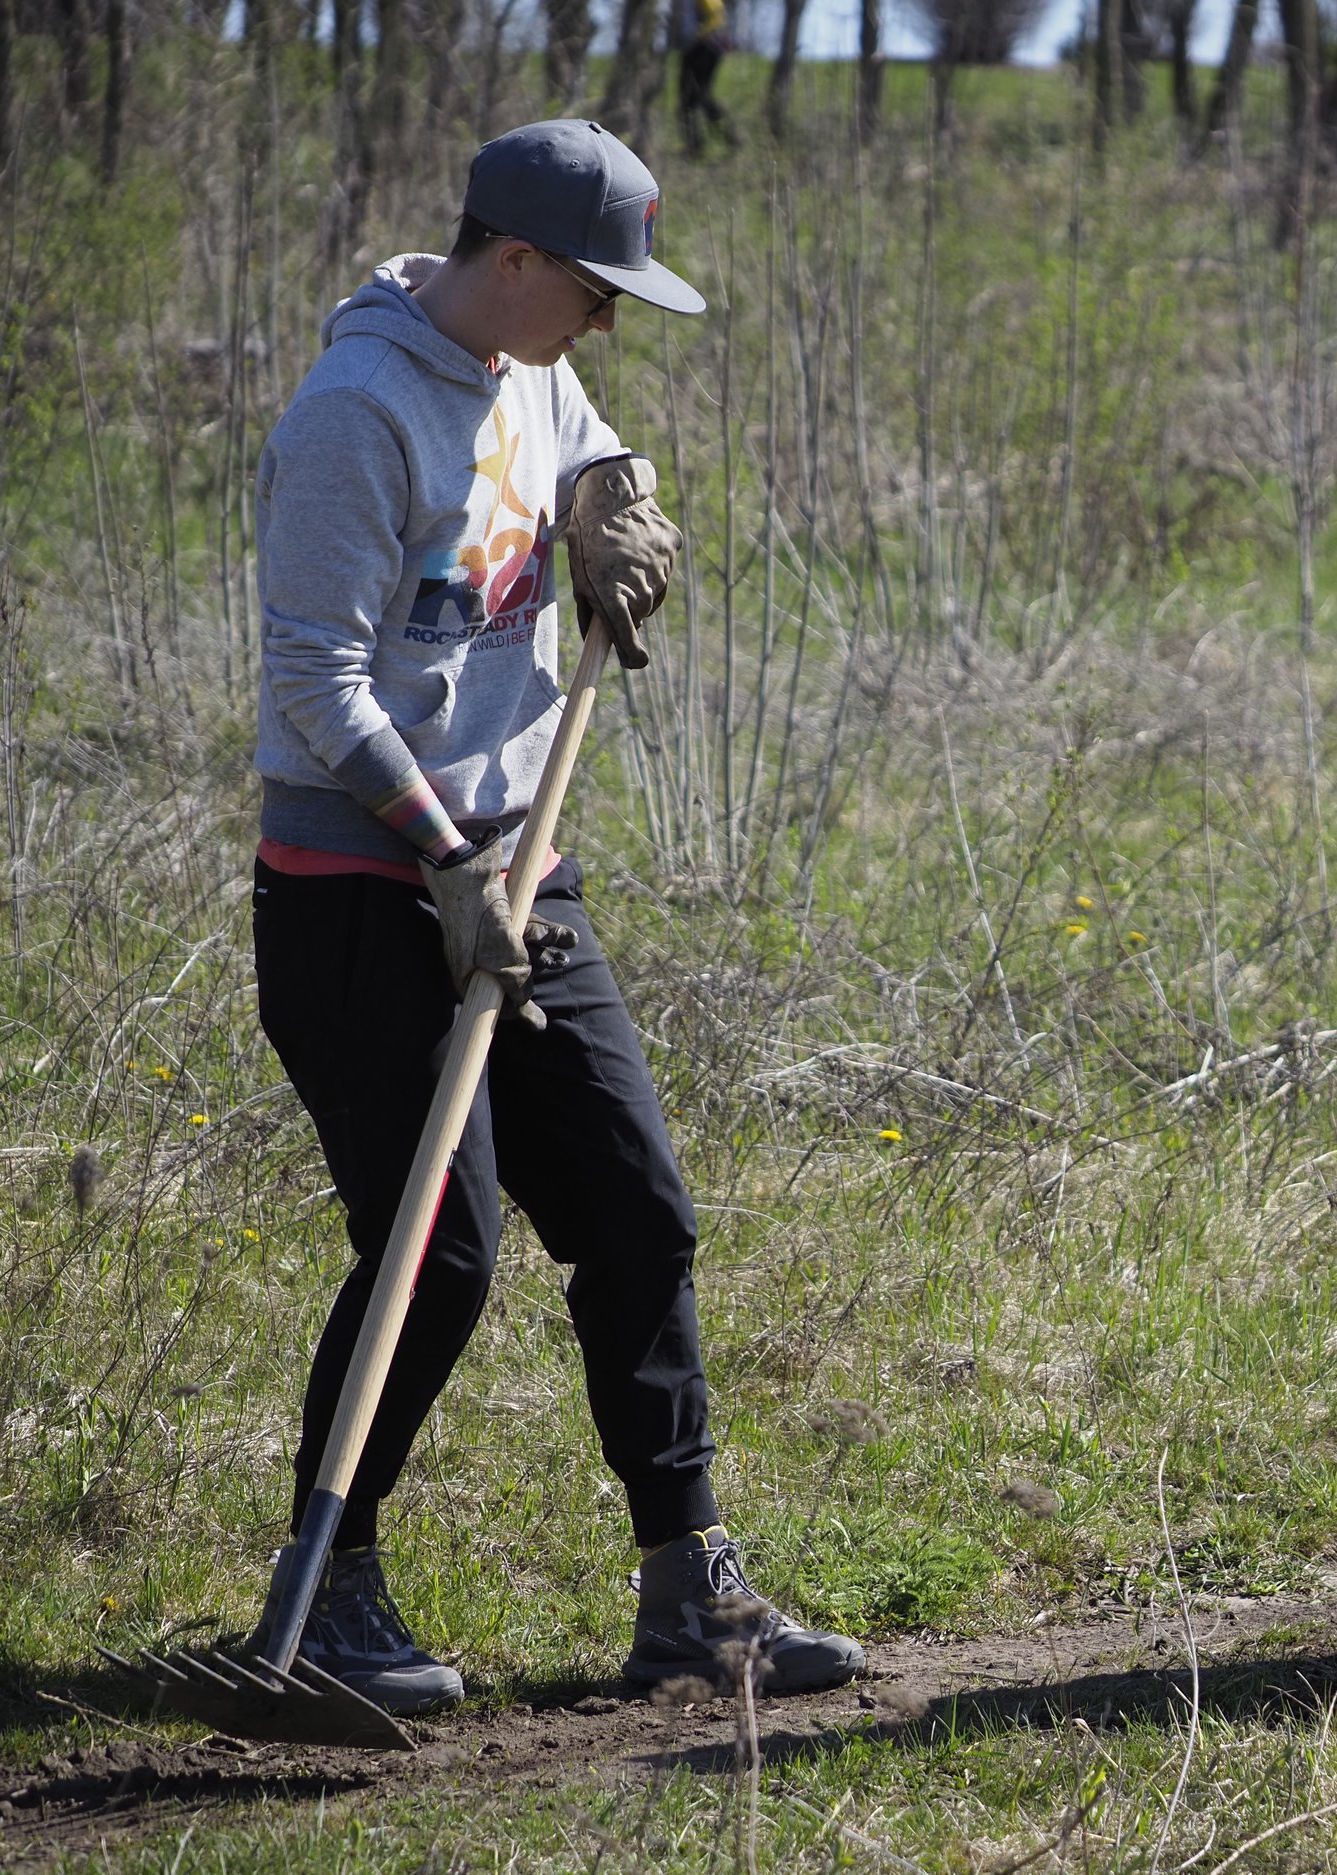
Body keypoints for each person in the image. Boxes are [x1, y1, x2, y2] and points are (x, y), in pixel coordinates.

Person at [249, 119, 860, 1715]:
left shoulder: (538, 371)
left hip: (520, 868)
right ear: (509, 258)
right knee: (434, 1254)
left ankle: (690, 1591)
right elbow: (312, 682)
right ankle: (327, 1593)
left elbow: (589, 444)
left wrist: (612, 501)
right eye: (594, 291)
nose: (605, 324)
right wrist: (444, 855)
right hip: (361, 888)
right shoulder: (354, 418)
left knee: (638, 1208)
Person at [673, 0, 738, 155]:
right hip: (702, 47)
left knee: (696, 96)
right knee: (693, 98)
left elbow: (716, 15)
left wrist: (698, 37)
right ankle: (699, 144)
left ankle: (724, 139)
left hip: (703, 47)